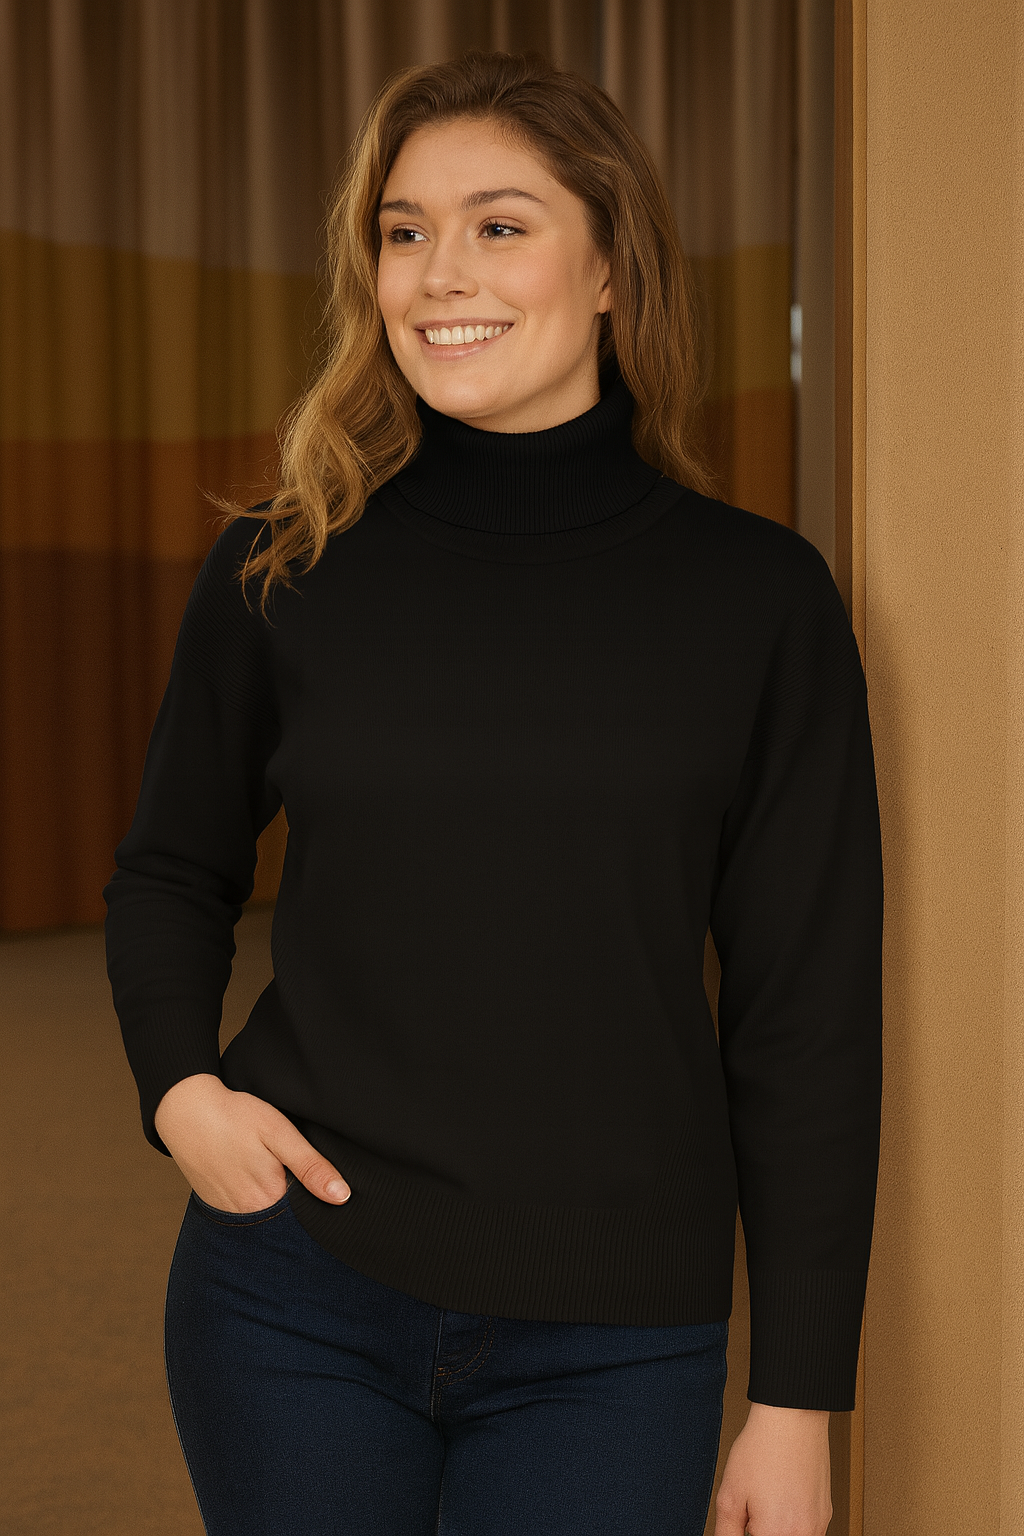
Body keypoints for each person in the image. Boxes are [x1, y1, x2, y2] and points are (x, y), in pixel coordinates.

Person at [104, 48, 882, 1536]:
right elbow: (170, 868)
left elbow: (809, 1021)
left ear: (612, 269)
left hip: (612, 1340)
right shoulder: (286, 563)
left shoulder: (760, 602)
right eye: (405, 231)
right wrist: (180, 1093)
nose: (438, 275)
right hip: (292, 1300)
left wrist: (798, 1401)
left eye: (500, 226)